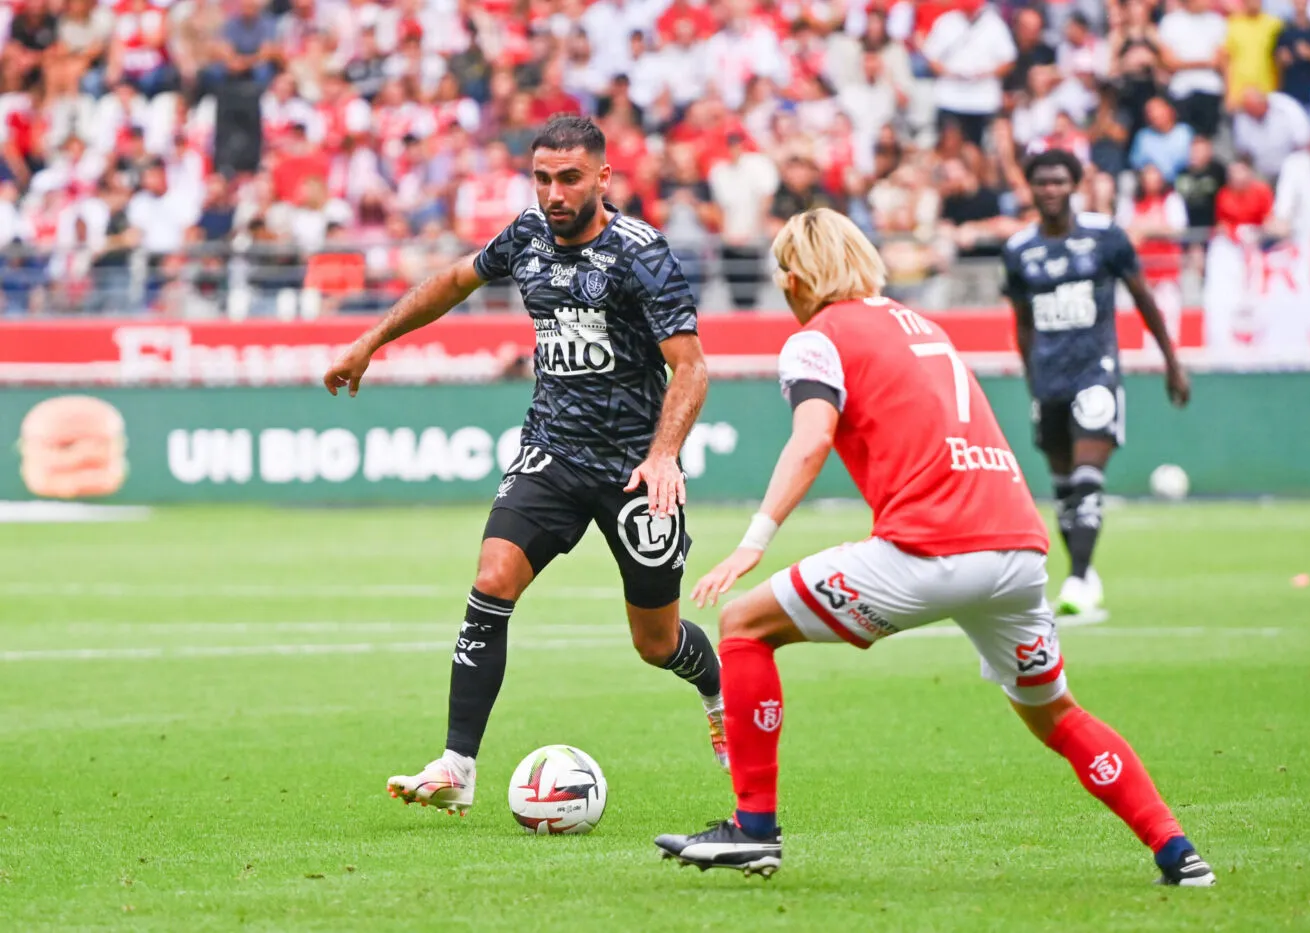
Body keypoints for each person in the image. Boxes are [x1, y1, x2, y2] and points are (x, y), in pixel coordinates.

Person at [651, 208, 1215, 888]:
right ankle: (1178, 851)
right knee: (1057, 713)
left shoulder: (818, 336)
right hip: (1016, 552)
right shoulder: (920, 323)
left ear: (796, 278)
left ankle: (754, 828)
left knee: (742, 624)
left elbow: (811, 439)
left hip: (928, 551)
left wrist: (753, 541)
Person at [323, 116, 727, 816]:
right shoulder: (527, 236)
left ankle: (716, 690)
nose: (554, 192)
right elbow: (454, 280)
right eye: (542, 177)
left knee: (655, 642)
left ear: (603, 177)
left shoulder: (642, 253)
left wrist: (664, 454)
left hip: (633, 469)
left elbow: (690, 367)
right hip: (551, 453)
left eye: (569, 178)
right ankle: (457, 765)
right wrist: (371, 340)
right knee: (492, 576)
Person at [1001, 150, 1190, 616]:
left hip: (1096, 373)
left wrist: (1171, 361)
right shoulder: (1019, 249)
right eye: (1042, 182)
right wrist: (1031, 379)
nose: (1050, 190)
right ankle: (1084, 571)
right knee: (1065, 488)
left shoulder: (1105, 237)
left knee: (1087, 480)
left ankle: (1080, 577)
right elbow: (1022, 321)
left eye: (1059, 181)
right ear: (1031, 188)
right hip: (1049, 381)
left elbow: (1143, 297)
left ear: (1075, 185)